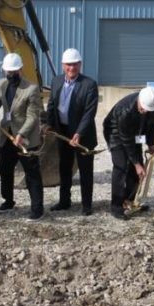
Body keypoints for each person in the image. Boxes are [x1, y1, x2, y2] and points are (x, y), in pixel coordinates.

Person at [0, 53, 44, 220]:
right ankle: (8, 200)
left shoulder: (31, 89)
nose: (10, 75)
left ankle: (37, 209)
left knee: (31, 173)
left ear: (20, 69)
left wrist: (21, 134)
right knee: (4, 169)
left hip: (25, 138)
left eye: (14, 72)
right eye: (8, 72)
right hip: (6, 135)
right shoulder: (3, 84)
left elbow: (33, 116)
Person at [44, 48, 99, 215]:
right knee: (64, 168)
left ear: (80, 65)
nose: (71, 68)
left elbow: (90, 112)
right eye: (68, 65)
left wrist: (79, 133)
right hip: (63, 132)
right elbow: (52, 105)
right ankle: (64, 201)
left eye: (74, 64)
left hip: (83, 135)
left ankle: (87, 205)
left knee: (85, 170)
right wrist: (49, 124)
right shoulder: (56, 81)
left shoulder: (89, 85)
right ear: (63, 65)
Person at [102, 86, 154, 220]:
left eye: (148, 110)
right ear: (139, 99)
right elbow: (126, 140)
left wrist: (150, 144)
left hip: (136, 133)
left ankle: (129, 201)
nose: (145, 111)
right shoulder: (125, 110)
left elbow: (153, 125)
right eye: (142, 108)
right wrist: (136, 163)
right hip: (116, 134)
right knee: (121, 166)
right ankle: (116, 206)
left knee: (137, 170)